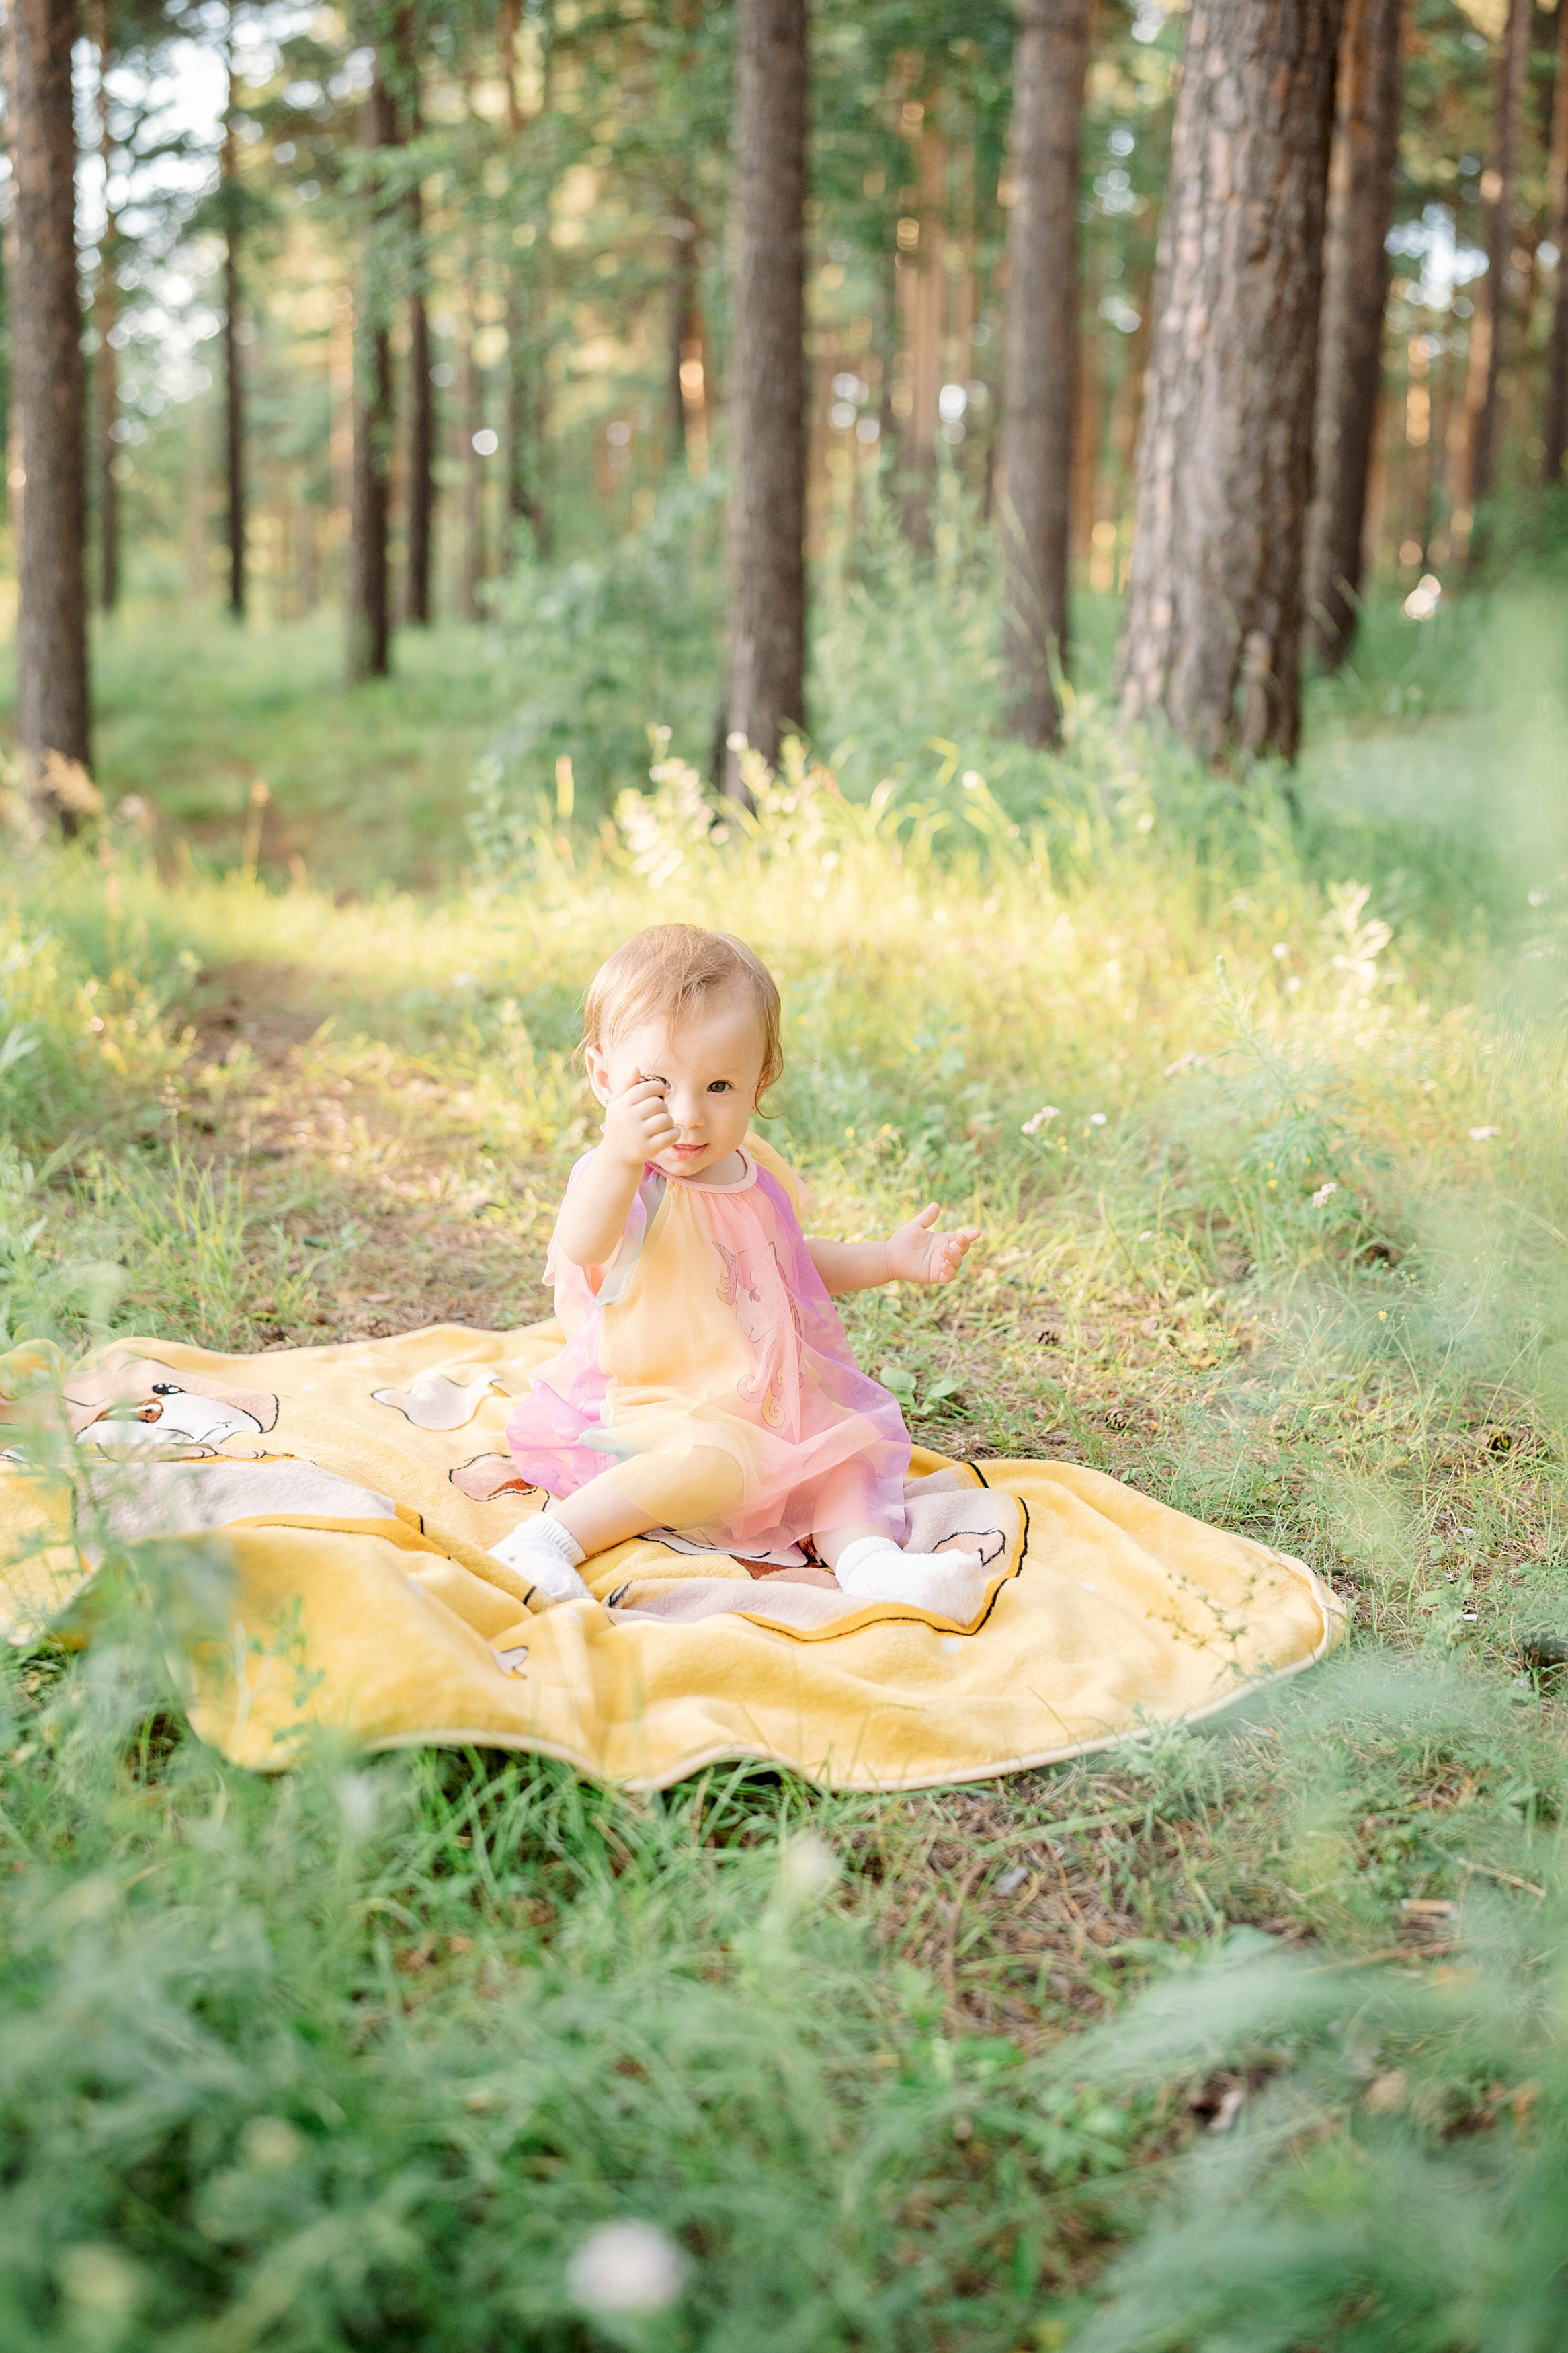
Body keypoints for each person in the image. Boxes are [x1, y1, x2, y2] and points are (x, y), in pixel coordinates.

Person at [493, 924, 987, 1615]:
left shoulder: (754, 1174)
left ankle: (872, 1566)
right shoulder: (624, 1178)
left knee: (844, 1450)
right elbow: (583, 1242)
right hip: (660, 1400)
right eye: (655, 1085)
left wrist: (884, 1259)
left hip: (766, 1394)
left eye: (718, 1084)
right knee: (708, 1463)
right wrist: (616, 1154)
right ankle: (544, 1540)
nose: (687, 1115)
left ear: (760, 1081)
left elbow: (782, 1263)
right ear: (604, 1078)